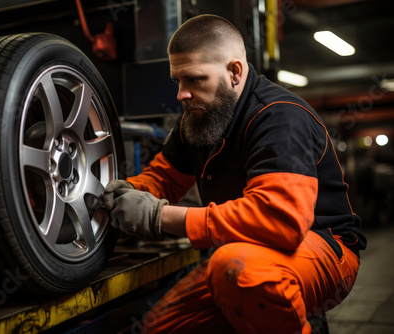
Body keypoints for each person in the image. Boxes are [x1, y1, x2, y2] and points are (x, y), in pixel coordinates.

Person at [102, 14, 366, 334]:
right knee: (153, 329)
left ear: (235, 71)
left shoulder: (279, 116)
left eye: (195, 79)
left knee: (237, 269)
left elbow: (280, 221)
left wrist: (159, 217)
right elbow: (163, 179)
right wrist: (122, 193)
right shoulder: (199, 119)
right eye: (178, 81)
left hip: (322, 250)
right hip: (246, 250)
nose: (181, 94)